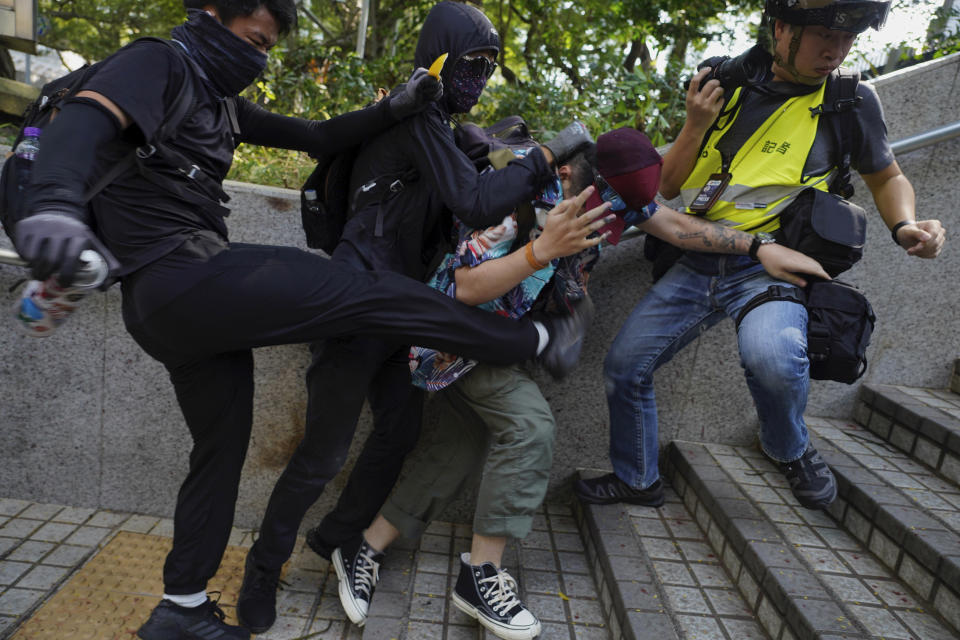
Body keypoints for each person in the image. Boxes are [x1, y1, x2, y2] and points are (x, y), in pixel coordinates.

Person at [11, 3, 589, 639]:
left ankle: (182, 608)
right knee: (358, 335)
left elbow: (315, 136)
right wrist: (56, 208)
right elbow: (86, 120)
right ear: (212, 12)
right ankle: (530, 339)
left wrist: (396, 105)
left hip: (181, 313)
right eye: (255, 38)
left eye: (269, 45)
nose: (260, 56)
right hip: (188, 276)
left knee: (231, 454)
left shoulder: (223, 103)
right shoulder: (156, 61)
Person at [329, 127, 833, 639]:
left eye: (620, 214)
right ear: (565, 173)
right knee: (530, 428)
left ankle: (364, 547)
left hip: (505, 341)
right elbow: (463, 287)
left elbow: (676, 227)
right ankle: (482, 573)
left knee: (456, 449)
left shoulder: (607, 191)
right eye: (605, 210)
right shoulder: (514, 191)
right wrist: (541, 251)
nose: (611, 222)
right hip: (453, 337)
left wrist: (759, 246)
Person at [233, 2, 594, 633]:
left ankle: (346, 543)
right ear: (439, 57)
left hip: (404, 312)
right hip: (357, 303)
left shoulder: (445, 131)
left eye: (489, 68)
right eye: (471, 64)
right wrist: (545, 156)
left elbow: (473, 197)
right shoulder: (414, 116)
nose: (478, 80)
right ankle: (261, 574)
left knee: (399, 434)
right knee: (321, 455)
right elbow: (476, 203)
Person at [575, 0, 946, 512]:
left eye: (847, 40)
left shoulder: (850, 100)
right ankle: (638, 479)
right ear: (782, 28)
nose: (835, 52)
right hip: (695, 255)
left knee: (773, 357)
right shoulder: (722, 82)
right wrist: (695, 123)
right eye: (822, 37)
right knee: (624, 365)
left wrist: (905, 225)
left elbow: (887, 176)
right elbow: (667, 185)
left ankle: (788, 447)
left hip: (773, 265)